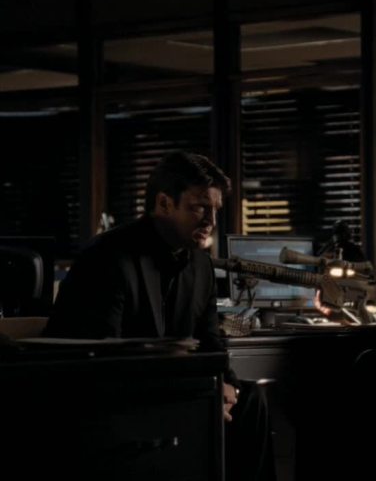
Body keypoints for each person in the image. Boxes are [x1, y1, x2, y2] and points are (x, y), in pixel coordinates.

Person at [44, 152, 273, 480]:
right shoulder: (108, 257)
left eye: (215, 209)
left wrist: (227, 385)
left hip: (172, 388)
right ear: (164, 203)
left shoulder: (201, 265)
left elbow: (211, 341)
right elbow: (100, 357)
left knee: (250, 400)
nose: (211, 220)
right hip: (113, 393)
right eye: (199, 207)